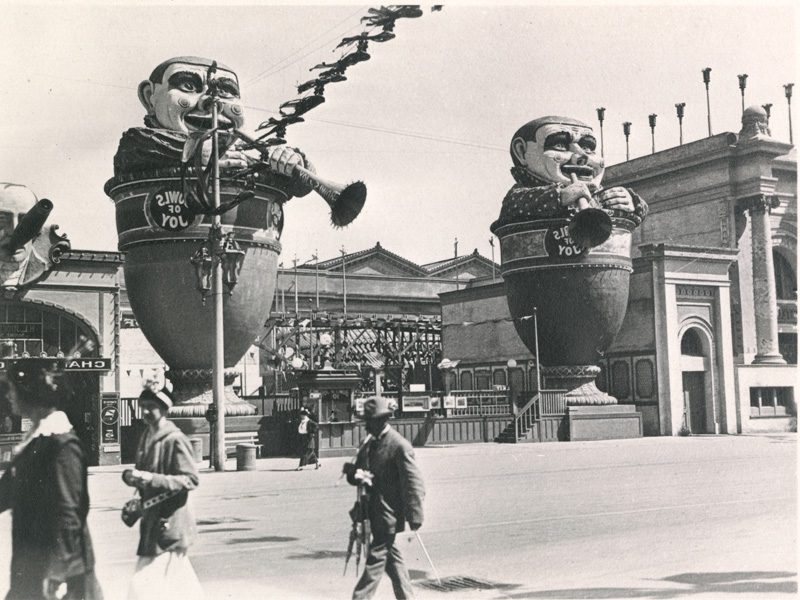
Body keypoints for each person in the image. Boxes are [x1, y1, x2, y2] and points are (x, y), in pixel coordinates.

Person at [0, 359, 103, 600]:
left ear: (31, 393)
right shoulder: (35, 442)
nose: (9, 396)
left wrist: (54, 574)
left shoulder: (61, 446)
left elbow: (69, 514)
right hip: (31, 563)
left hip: (58, 572)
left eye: (13, 389)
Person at [491, 115, 647, 230]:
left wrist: (633, 202)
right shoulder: (520, 197)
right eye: (560, 144)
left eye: (588, 147)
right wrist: (560, 196)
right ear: (522, 152)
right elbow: (513, 206)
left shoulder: (599, 196)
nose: (582, 157)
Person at [123, 382, 202, 600]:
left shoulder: (175, 439)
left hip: (170, 524)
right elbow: (146, 476)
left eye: (151, 406)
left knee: (142, 585)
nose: (146, 411)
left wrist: (151, 479)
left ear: (165, 409)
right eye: (143, 406)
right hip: (152, 522)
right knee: (177, 586)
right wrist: (135, 481)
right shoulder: (146, 437)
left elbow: (191, 480)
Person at [344, 397, 425, 599]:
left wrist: (415, 515)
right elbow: (364, 475)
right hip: (373, 512)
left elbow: (413, 483)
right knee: (392, 558)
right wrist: (353, 472)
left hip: (387, 514)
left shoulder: (399, 445)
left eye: (368, 422)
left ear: (380, 420)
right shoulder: (370, 444)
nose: (365, 427)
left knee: (376, 560)